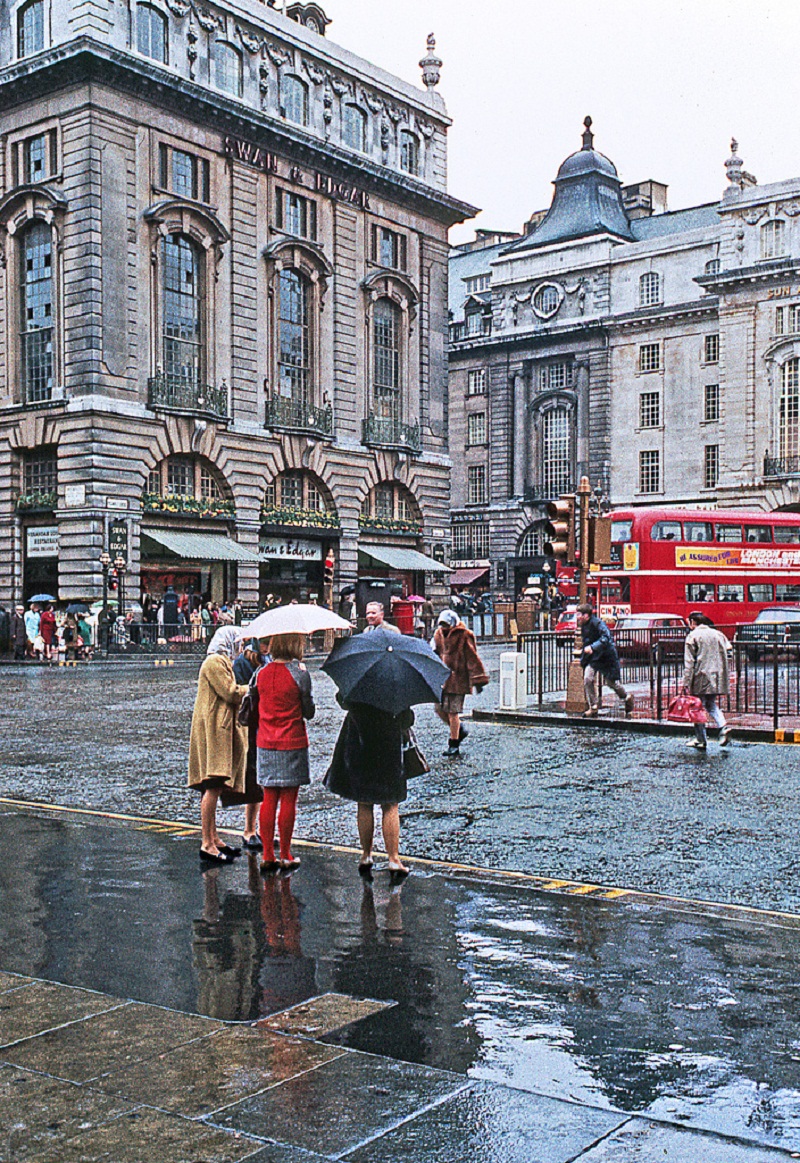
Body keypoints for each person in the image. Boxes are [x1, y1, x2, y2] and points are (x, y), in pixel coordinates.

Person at [325, 699, 413, 877]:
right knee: (390, 804)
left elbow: (343, 700)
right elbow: (406, 719)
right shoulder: (394, 688)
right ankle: (393, 859)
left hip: (359, 739)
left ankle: (366, 855)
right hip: (388, 741)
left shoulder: (357, 688)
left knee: (364, 802)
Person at [188, 626, 249, 864]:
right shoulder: (214, 662)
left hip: (217, 729)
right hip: (213, 730)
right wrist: (251, 688)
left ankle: (213, 838)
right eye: (238, 643)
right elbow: (230, 692)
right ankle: (207, 843)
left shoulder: (222, 662)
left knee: (214, 786)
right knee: (212, 785)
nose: (240, 648)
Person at [255, 632, 315, 874]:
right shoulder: (299, 674)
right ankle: (285, 854)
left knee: (268, 797)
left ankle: (267, 854)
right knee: (289, 799)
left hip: (265, 741)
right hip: (292, 741)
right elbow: (309, 711)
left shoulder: (261, 673)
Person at [230, 636, 270, 850]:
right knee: (253, 778)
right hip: (252, 726)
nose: (267, 647)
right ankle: (249, 830)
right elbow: (237, 693)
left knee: (267, 781)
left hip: (267, 723)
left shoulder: (270, 660)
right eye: (264, 643)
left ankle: (264, 829)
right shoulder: (243, 663)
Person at [433, 609, 489, 756]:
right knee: (439, 709)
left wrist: (478, 679)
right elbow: (435, 652)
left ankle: (454, 744)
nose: (444, 627)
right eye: (442, 624)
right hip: (442, 679)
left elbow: (472, 657)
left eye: (446, 624)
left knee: (453, 712)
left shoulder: (464, 635)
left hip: (458, 679)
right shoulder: (438, 634)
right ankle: (459, 731)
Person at [683, 611, 732, 750]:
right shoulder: (718, 634)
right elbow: (729, 651)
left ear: (693, 622)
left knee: (697, 707)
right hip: (717, 676)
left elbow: (689, 663)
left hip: (701, 675)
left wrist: (686, 682)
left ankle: (701, 739)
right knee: (710, 704)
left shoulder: (692, 636)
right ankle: (723, 727)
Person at [578, 603, 633, 718]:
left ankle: (626, 697)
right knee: (588, 679)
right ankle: (593, 707)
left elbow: (606, 637)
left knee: (611, 682)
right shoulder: (584, 626)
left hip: (606, 656)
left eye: (579, 614)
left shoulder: (598, 623)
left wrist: (593, 647)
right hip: (594, 658)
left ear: (586, 615)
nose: (577, 617)